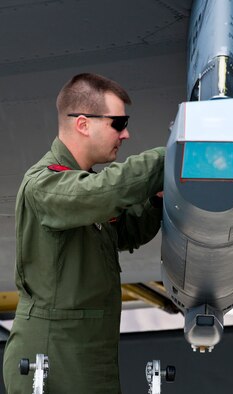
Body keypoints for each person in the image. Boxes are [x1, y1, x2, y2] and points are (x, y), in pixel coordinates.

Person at [3, 73, 165, 394]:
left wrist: (156, 201)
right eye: (118, 123)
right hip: (54, 354)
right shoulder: (46, 184)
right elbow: (103, 193)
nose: (126, 133)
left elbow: (128, 231)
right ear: (83, 124)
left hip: (88, 352)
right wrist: (170, 156)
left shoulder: (84, 187)